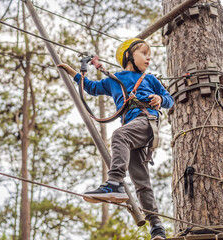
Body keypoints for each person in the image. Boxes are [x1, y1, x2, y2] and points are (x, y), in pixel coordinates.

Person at [58, 38, 173, 240]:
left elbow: (169, 99)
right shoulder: (114, 80)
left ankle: (115, 182)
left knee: (119, 135)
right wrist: (72, 71)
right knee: (141, 181)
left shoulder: (150, 79)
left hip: (146, 121)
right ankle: (157, 227)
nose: (148, 58)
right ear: (129, 55)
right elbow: (91, 88)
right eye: (144, 53)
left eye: (149, 55)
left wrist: (161, 99)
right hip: (133, 130)